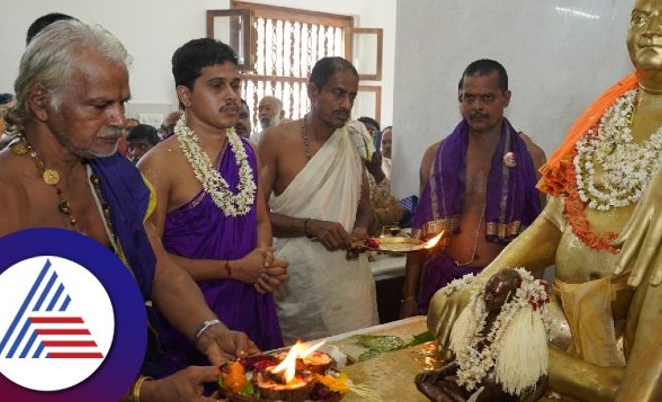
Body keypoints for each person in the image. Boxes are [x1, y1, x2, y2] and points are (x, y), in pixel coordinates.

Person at [430, 0, 662, 401]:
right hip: (575, 324)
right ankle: (596, 383)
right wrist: (485, 283)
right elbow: (554, 222)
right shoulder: (606, 117)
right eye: (639, 18)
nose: (650, 29)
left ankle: (632, 391)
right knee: (449, 304)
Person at [0, 20, 259, 401]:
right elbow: (14, 357)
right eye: (100, 105)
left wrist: (208, 330)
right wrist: (142, 393)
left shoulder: (111, 172)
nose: (120, 119)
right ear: (41, 103)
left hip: (133, 367)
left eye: (122, 101)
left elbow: (159, 269)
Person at [138, 38, 286, 376]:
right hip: (191, 318)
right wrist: (235, 268)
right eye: (217, 85)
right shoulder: (159, 165)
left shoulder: (247, 152)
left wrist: (262, 261)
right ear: (185, 95)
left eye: (235, 84)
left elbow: (262, 220)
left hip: (253, 305)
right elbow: (153, 264)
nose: (232, 95)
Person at [400, 59, 546, 318]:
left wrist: (531, 302)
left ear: (506, 98)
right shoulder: (436, 156)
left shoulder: (530, 158)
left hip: (502, 290)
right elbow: (419, 235)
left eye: (487, 98)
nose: (477, 107)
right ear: (460, 98)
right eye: (469, 98)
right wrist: (408, 297)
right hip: (442, 285)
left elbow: (539, 237)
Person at [259, 56, 378, 343]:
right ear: (313, 91)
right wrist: (311, 226)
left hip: (351, 285)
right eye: (337, 93)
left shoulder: (352, 139)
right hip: (300, 286)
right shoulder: (275, 140)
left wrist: (360, 231)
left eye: (351, 96)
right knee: (305, 376)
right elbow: (256, 216)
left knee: (361, 368)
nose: (346, 105)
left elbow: (365, 207)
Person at [416, 269, 549, 402]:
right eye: (487, 290)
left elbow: (543, 380)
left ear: (511, 297)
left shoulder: (522, 326)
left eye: (495, 294)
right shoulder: (481, 312)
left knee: (491, 381)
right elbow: (467, 357)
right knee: (424, 381)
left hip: (495, 394)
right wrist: (440, 373)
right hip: (469, 386)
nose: (487, 297)